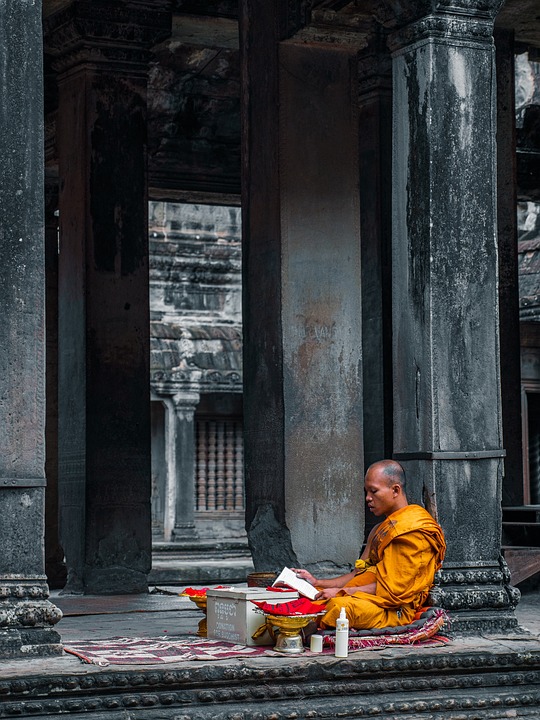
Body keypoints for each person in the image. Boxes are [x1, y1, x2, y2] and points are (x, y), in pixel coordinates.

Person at [292, 459, 446, 630]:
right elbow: (357, 575)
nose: (368, 498)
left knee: (336, 609)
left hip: (392, 608)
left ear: (395, 490)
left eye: (374, 491)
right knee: (308, 596)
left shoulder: (413, 530)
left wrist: (341, 592)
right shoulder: (379, 530)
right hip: (366, 596)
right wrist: (317, 581)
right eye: (366, 492)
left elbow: (394, 591)